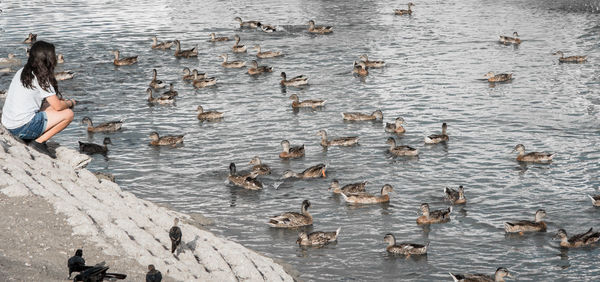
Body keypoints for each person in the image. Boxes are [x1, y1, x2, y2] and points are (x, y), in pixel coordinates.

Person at [1, 40, 75, 158]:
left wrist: (58, 103)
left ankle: (33, 138)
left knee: (50, 105)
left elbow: (48, 103)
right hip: (20, 128)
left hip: (8, 123)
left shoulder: (23, 71)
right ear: (48, 59)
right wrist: (70, 102)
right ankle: (38, 143)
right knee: (68, 114)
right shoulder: (41, 78)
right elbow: (58, 107)